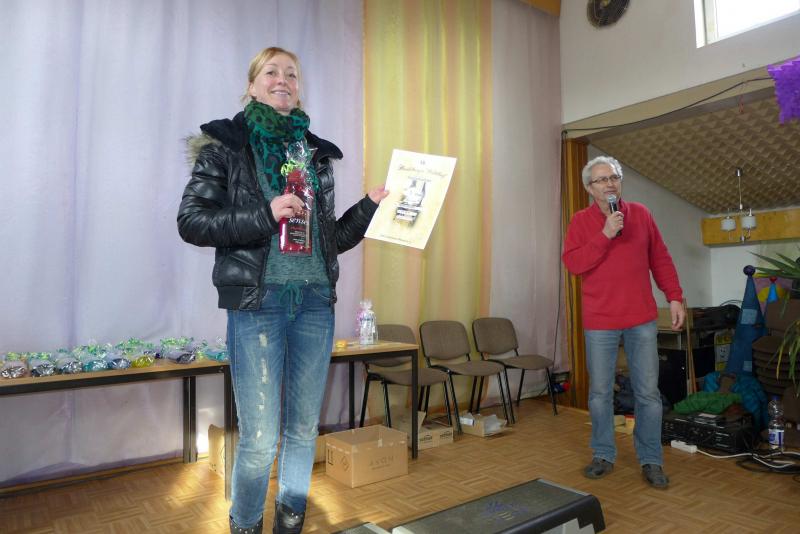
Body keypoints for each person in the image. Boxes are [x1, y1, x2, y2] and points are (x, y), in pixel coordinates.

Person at [178, 47, 388, 534]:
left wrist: (369, 207)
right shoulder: (224, 147)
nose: (283, 79)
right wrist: (265, 213)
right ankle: (246, 524)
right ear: (251, 86)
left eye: (291, 73)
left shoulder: (313, 154)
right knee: (259, 438)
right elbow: (192, 222)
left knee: (302, 429)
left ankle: (289, 525)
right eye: (271, 71)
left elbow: (330, 239)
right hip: (259, 305)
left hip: (314, 302)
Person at [562, 155, 685, 490]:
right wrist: (605, 234)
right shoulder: (580, 221)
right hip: (600, 320)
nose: (609, 184)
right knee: (600, 393)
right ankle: (603, 453)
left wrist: (674, 297)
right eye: (601, 179)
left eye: (614, 177)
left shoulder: (641, 214)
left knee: (648, 393)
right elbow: (574, 264)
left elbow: (660, 258)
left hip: (640, 318)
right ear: (590, 188)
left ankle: (651, 459)